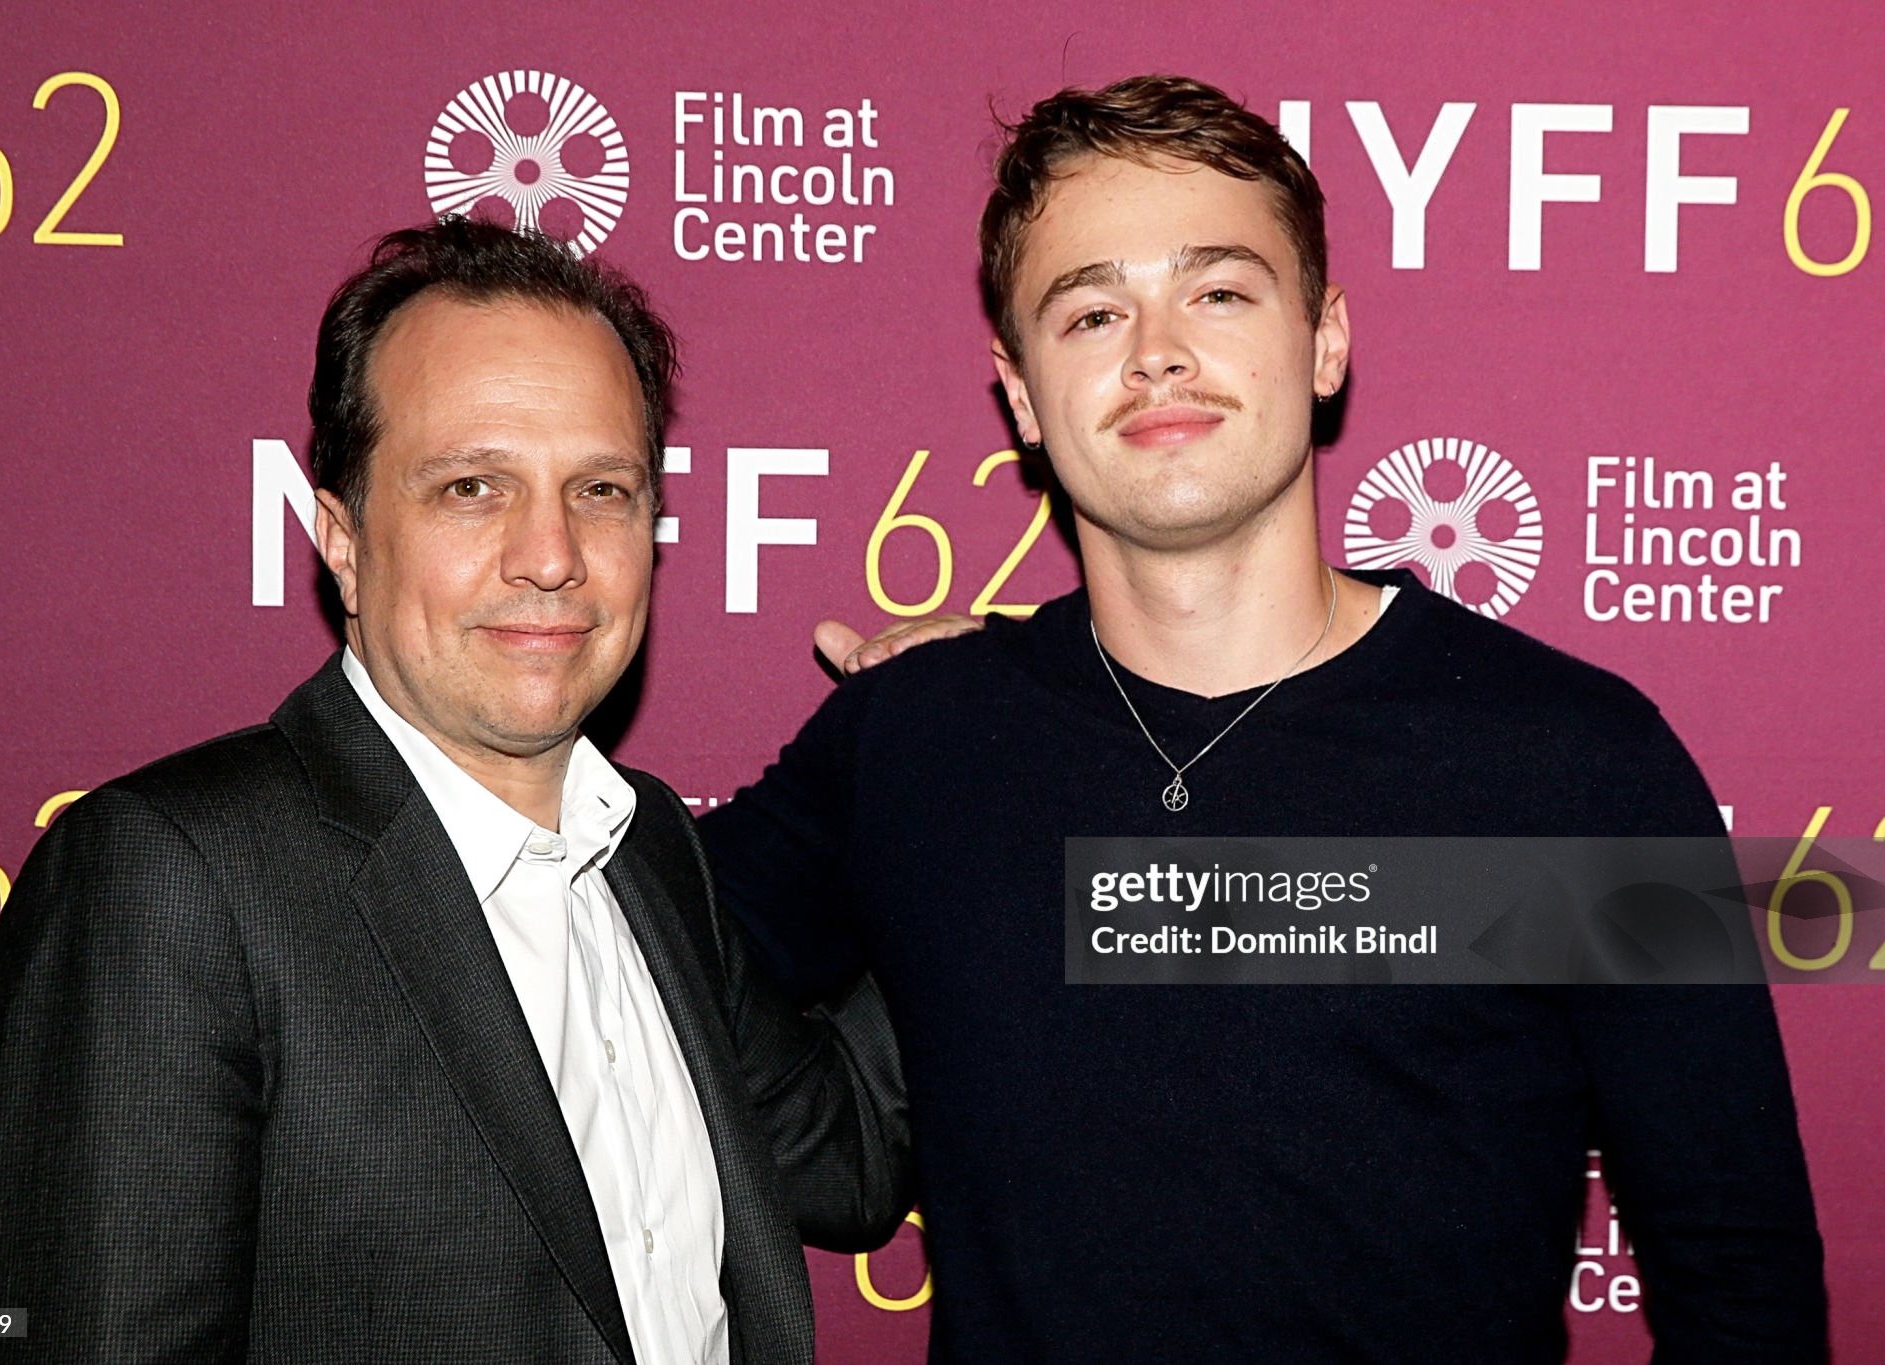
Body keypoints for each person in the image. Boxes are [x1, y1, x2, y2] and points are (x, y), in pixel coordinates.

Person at [701, 76, 1825, 1361]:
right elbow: (611, 950)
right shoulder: (909, 741)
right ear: (1018, 394)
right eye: (1090, 311)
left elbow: (1736, 1269)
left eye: (1219, 291)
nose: (1155, 351)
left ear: (1324, 338)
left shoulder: (1583, 762)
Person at [0, 219, 909, 1363]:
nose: (549, 554)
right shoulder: (167, 881)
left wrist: (969, 782)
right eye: (469, 488)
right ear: (341, 538)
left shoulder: (646, 850)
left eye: (599, 488)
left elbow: (840, 1160)